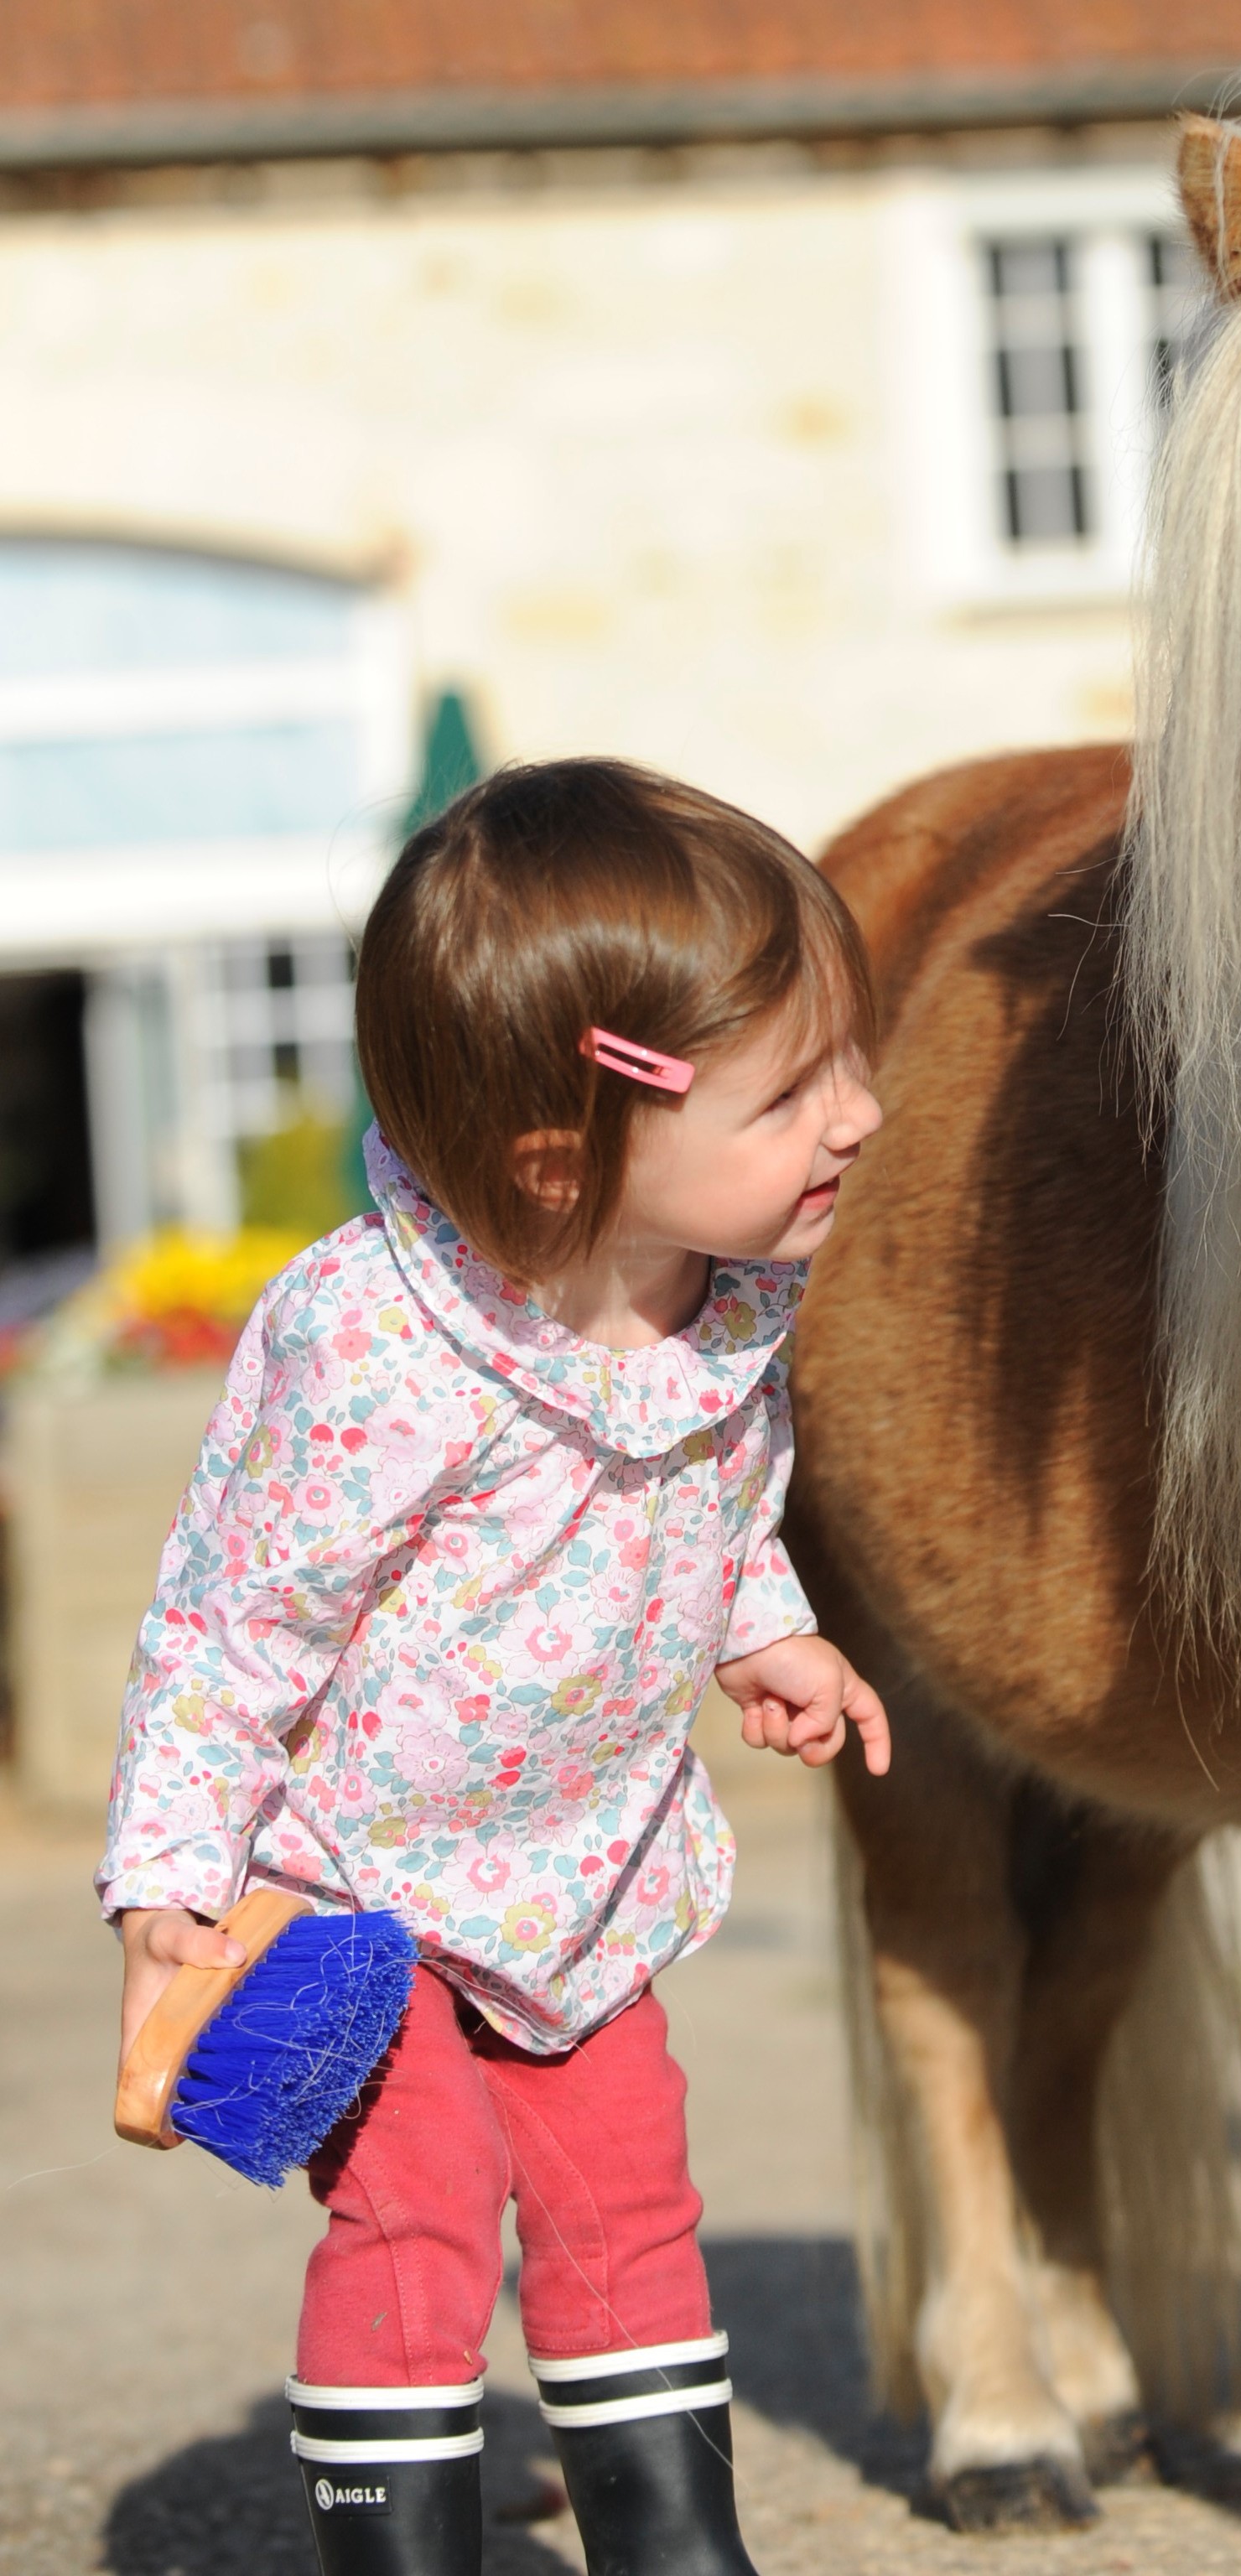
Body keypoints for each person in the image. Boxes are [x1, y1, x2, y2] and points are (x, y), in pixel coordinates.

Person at [99, 759, 889, 2576]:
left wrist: (762, 1626)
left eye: (852, 1059)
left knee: (629, 2188)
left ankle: (675, 2543)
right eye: (794, 1093)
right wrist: (174, 1870)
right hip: (355, 1891)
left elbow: (702, 1498)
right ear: (564, 1154)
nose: (859, 1116)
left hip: (578, 1878)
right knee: (423, 2209)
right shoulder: (379, 1347)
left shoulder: (728, 1295)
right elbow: (232, 1624)